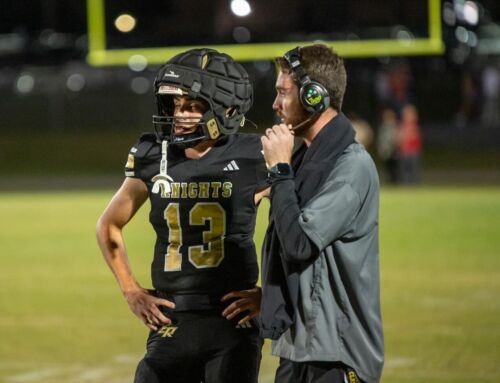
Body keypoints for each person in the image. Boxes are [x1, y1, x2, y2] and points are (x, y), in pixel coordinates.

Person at [96, 48, 269, 383]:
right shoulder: (155, 154)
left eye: (192, 106)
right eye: (177, 105)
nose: (180, 115)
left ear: (226, 109)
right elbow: (109, 225)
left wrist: (274, 293)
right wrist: (130, 290)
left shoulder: (254, 156)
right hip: (172, 319)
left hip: (231, 322)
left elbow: (297, 230)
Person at [259, 44, 384, 383]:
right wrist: (265, 296)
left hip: (337, 354)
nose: (275, 105)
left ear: (314, 96)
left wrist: (280, 171)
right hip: (299, 346)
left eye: (283, 93)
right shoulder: (307, 162)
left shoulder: (351, 166)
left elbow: (299, 243)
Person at [398, 103, 422, 184]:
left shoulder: (414, 126)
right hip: (405, 151)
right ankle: (407, 184)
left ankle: (414, 184)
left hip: (414, 151)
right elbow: (400, 138)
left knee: (414, 169)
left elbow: (415, 138)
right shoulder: (403, 126)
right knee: (406, 169)